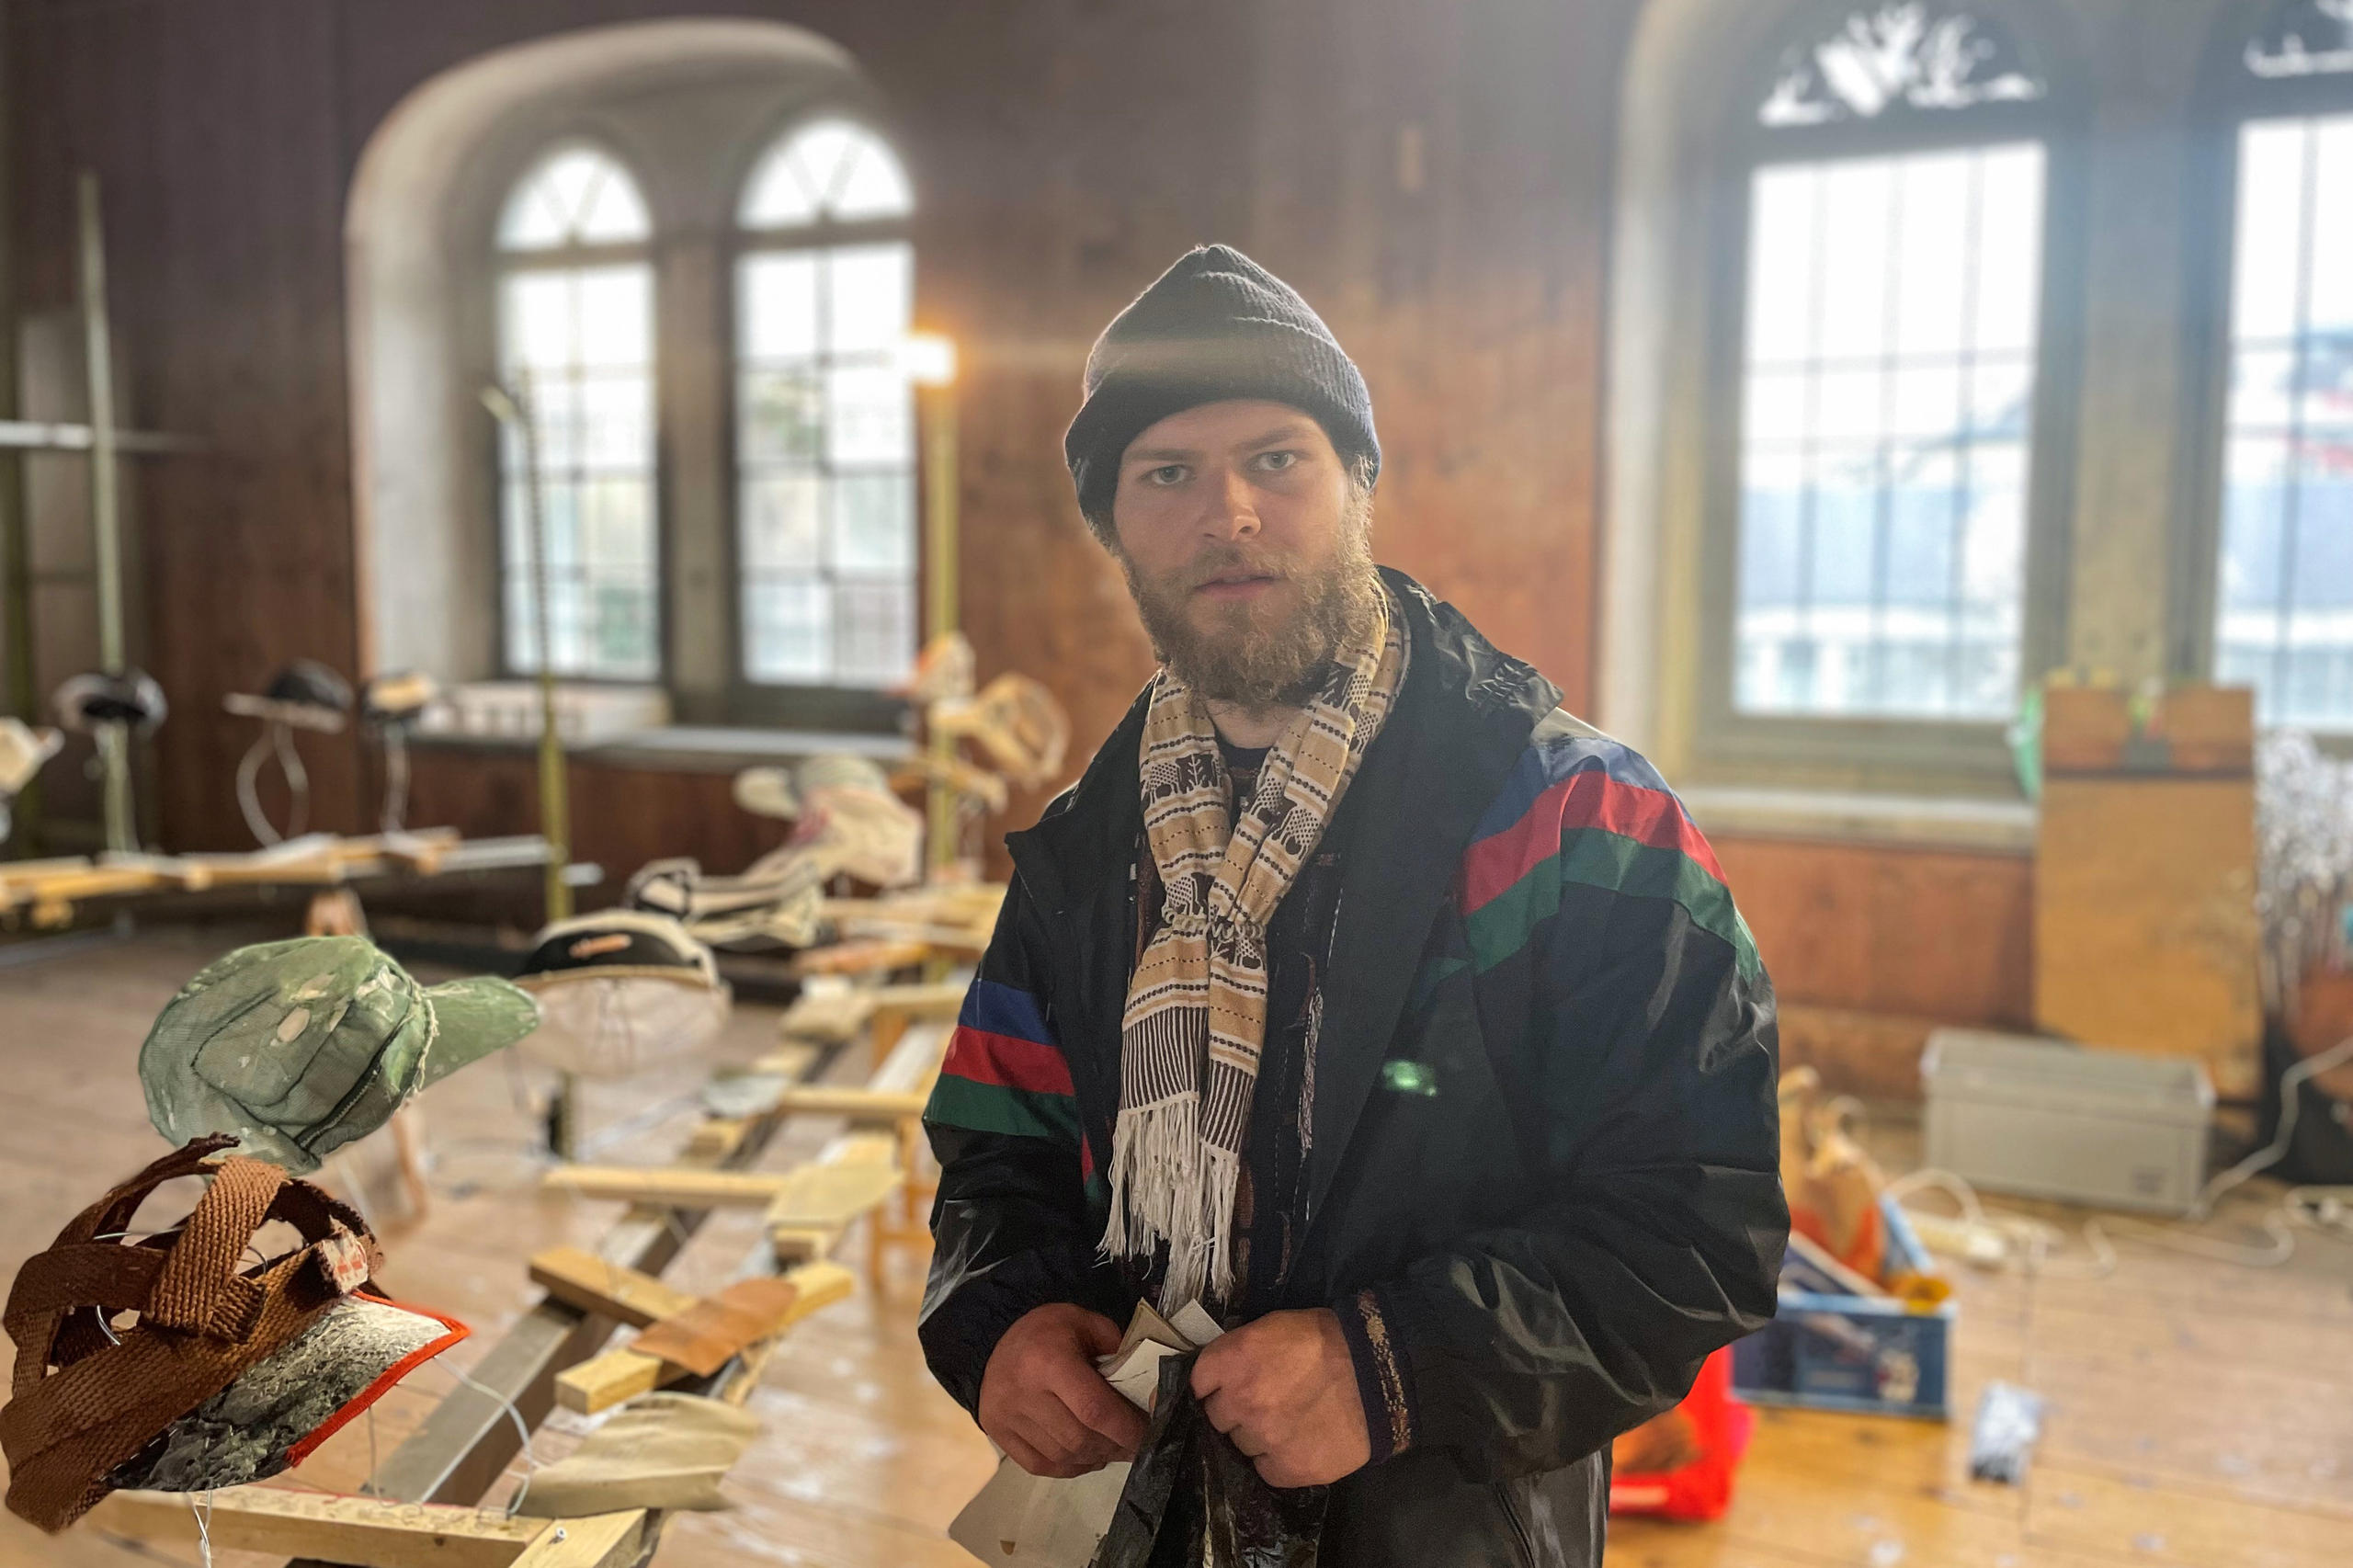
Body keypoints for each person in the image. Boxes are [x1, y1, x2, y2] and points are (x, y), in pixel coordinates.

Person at [919, 244, 1786, 1565]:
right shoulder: (1087, 860)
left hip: (1457, 1524)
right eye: (1167, 475)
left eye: (1278, 459)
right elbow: (998, 1155)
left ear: (1357, 482)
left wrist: (1394, 1365)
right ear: (1114, 528)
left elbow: (1700, 1225)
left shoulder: (1578, 826)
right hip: (1143, 1517)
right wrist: (1004, 1321)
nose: (1231, 514)